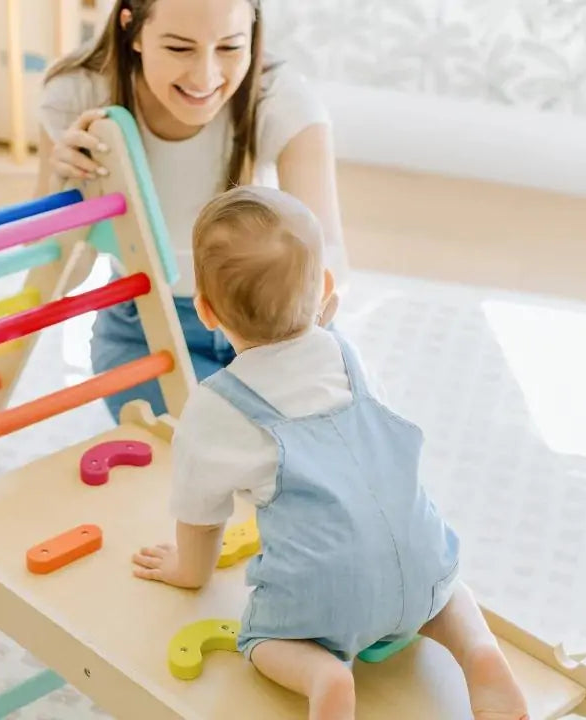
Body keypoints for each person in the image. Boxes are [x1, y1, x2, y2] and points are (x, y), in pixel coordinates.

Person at [132, 186, 530, 720]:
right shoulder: (348, 356)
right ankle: (478, 653)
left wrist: (189, 570)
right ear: (324, 289)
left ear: (204, 310)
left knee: (261, 641)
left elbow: (201, 518)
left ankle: (325, 676)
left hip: (326, 602)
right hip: (423, 568)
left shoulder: (216, 408)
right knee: (449, 590)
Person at [36, 0, 349, 421]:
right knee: (222, 448)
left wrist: (288, 351)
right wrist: (66, 191)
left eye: (230, 47)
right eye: (180, 48)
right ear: (133, 29)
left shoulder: (282, 98)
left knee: (323, 446)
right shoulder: (78, 94)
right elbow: (57, 279)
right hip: (145, 326)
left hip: (278, 320)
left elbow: (329, 266)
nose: (205, 77)